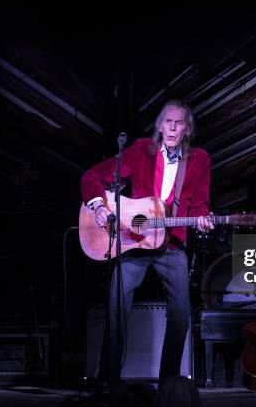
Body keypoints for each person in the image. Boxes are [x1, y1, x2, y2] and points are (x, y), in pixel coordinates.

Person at [81, 100, 214, 387]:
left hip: (172, 243)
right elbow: (93, 176)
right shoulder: (141, 150)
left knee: (180, 311)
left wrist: (203, 220)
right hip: (134, 240)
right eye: (168, 121)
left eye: (179, 123)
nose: (173, 128)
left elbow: (200, 206)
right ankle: (108, 382)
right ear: (159, 125)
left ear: (188, 129)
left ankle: (169, 384)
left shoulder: (200, 159)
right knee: (117, 304)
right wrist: (100, 207)